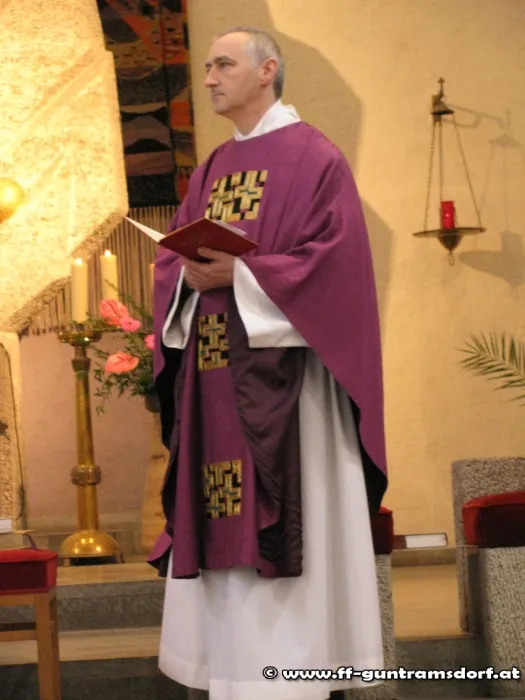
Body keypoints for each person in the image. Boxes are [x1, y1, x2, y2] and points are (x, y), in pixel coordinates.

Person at [148, 25, 388, 700]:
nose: (209, 78)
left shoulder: (315, 157)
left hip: (291, 389)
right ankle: (232, 671)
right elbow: (173, 259)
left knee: (289, 521)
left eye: (223, 65)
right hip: (215, 381)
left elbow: (336, 267)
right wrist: (185, 276)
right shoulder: (213, 166)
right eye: (207, 66)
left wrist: (243, 276)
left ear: (266, 70)